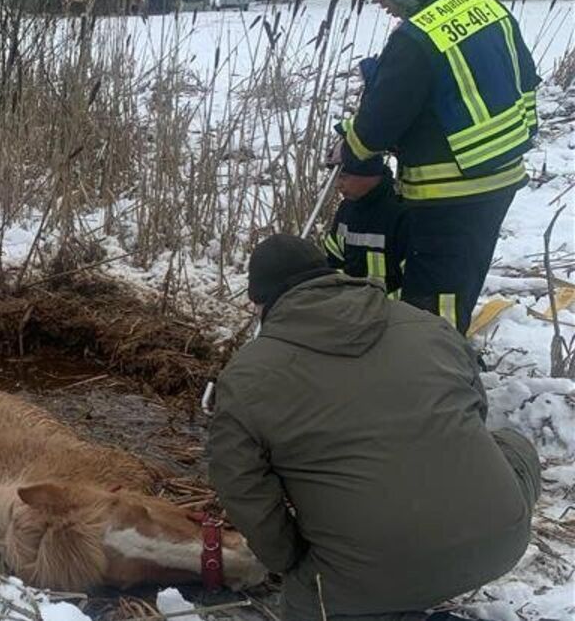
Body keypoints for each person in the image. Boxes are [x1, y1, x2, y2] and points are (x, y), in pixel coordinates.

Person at [208, 235, 541, 620]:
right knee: (514, 444)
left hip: (364, 577)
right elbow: (473, 412)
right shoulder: (427, 325)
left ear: (258, 301)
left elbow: (240, 484)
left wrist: (290, 558)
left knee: (308, 604)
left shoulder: (247, 373)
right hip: (499, 544)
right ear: (329, 275)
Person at [334, 0, 540, 334]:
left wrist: (348, 146)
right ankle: (445, 353)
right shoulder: (484, 4)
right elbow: (524, 80)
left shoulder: (415, 38)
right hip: (502, 177)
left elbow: (376, 130)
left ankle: (435, 376)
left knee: (433, 299)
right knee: (462, 279)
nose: (381, 3)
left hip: (448, 193)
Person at [322, 160, 408, 298]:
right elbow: (333, 262)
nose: (337, 185)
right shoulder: (346, 209)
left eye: (343, 177)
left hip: (393, 314)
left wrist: (381, 309)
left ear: (370, 174)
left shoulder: (401, 214)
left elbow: (415, 283)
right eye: (335, 177)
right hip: (350, 310)